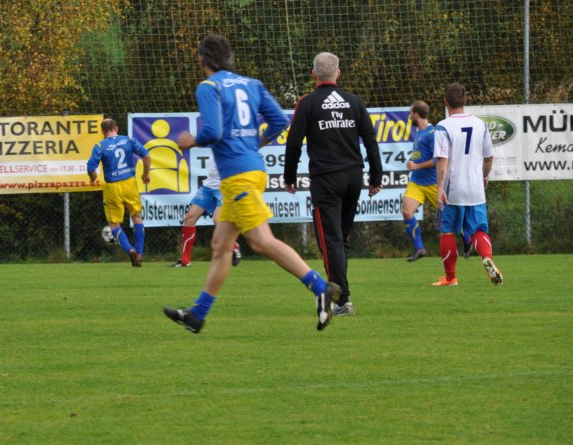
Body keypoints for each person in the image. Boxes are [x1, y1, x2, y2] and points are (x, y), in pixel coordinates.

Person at [163, 35, 340, 334]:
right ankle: (197, 315)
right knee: (221, 246)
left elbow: (213, 131)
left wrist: (192, 140)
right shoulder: (252, 84)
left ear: (202, 60)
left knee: (261, 242)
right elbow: (280, 121)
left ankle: (321, 287)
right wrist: (253, 144)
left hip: (238, 176)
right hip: (250, 171)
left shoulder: (209, 87)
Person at [283, 52, 383, 317]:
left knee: (331, 241)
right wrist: (376, 177)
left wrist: (289, 177)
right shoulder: (354, 101)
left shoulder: (307, 103)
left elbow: (293, 143)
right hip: (353, 178)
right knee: (341, 239)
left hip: (326, 179)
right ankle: (342, 296)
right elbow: (370, 141)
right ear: (338, 73)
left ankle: (342, 301)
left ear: (314, 74)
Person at [431, 82, 503, 287]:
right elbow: (489, 157)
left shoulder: (443, 126)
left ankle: (450, 277)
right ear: (465, 100)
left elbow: (442, 159)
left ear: (445, 101)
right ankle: (487, 258)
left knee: (447, 231)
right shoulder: (480, 124)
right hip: (475, 189)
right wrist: (484, 177)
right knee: (479, 230)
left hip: (453, 189)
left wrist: (440, 188)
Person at [88, 118, 151, 267]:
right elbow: (147, 156)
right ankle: (139, 253)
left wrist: (93, 177)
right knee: (137, 217)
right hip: (130, 183)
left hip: (112, 187)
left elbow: (91, 168)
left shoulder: (100, 146)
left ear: (103, 131)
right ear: (116, 128)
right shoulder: (127, 140)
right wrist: (145, 174)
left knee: (114, 224)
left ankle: (130, 250)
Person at [171, 155, 242, 268]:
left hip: (225, 187)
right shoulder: (217, 144)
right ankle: (185, 260)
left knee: (218, 219)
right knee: (189, 218)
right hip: (208, 186)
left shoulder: (235, 147)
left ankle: (234, 246)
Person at [402, 100, 437, 262]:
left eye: (410, 113)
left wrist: (417, 165)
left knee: (452, 216)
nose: (409, 116)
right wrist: (414, 162)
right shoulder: (418, 132)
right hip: (416, 182)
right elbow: (420, 155)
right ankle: (419, 248)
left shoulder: (433, 133)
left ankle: (469, 239)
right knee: (407, 211)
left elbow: (437, 160)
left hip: (433, 183)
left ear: (416, 115)